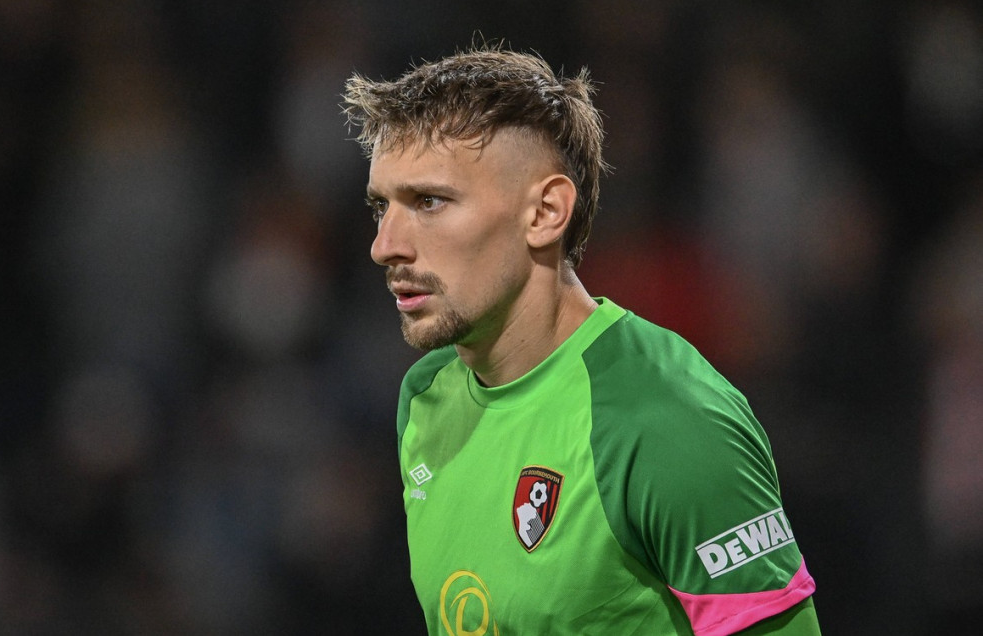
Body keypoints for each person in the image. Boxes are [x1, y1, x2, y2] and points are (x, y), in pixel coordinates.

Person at [342, 44, 820, 636]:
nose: (385, 245)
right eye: (381, 207)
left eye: (430, 202)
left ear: (545, 212)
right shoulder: (425, 397)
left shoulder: (666, 419)